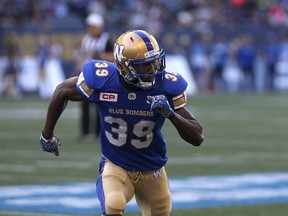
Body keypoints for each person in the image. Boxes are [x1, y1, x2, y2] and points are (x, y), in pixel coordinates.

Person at [40, 30, 204, 216]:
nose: (154, 70)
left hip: (153, 169)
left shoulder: (166, 86)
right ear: (125, 67)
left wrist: (170, 114)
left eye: (155, 61)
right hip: (116, 164)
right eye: (145, 65)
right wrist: (47, 135)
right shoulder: (105, 80)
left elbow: (198, 137)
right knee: (114, 204)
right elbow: (63, 90)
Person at [76, 13, 114, 140]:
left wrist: (98, 55)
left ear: (99, 27)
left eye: (92, 26)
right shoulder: (86, 39)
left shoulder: (106, 39)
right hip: (88, 75)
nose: (90, 29)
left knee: (100, 104)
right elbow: (83, 56)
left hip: (103, 77)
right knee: (84, 103)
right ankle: (85, 132)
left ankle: (99, 132)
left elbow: (112, 57)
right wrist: (79, 67)